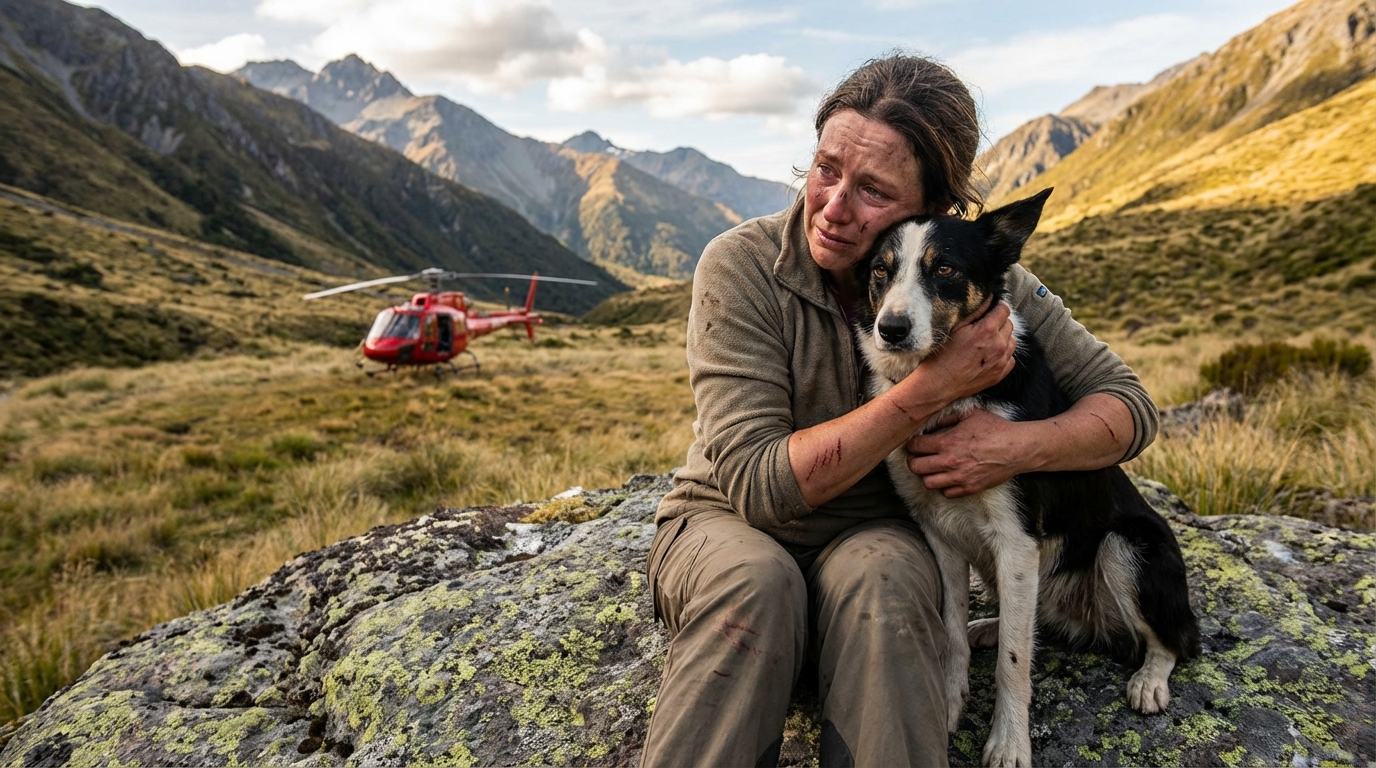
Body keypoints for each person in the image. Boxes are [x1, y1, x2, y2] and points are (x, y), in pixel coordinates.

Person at [641, 54, 1158, 768]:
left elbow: (1130, 408)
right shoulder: (741, 265)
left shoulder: (979, 276)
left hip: (880, 540)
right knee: (757, 586)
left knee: (885, 581)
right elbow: (759, 488)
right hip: (730, 525)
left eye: (873, 190)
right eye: (825, 169)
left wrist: (1016, 448)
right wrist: (930, 389)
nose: (833, 207)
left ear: (933, 211)